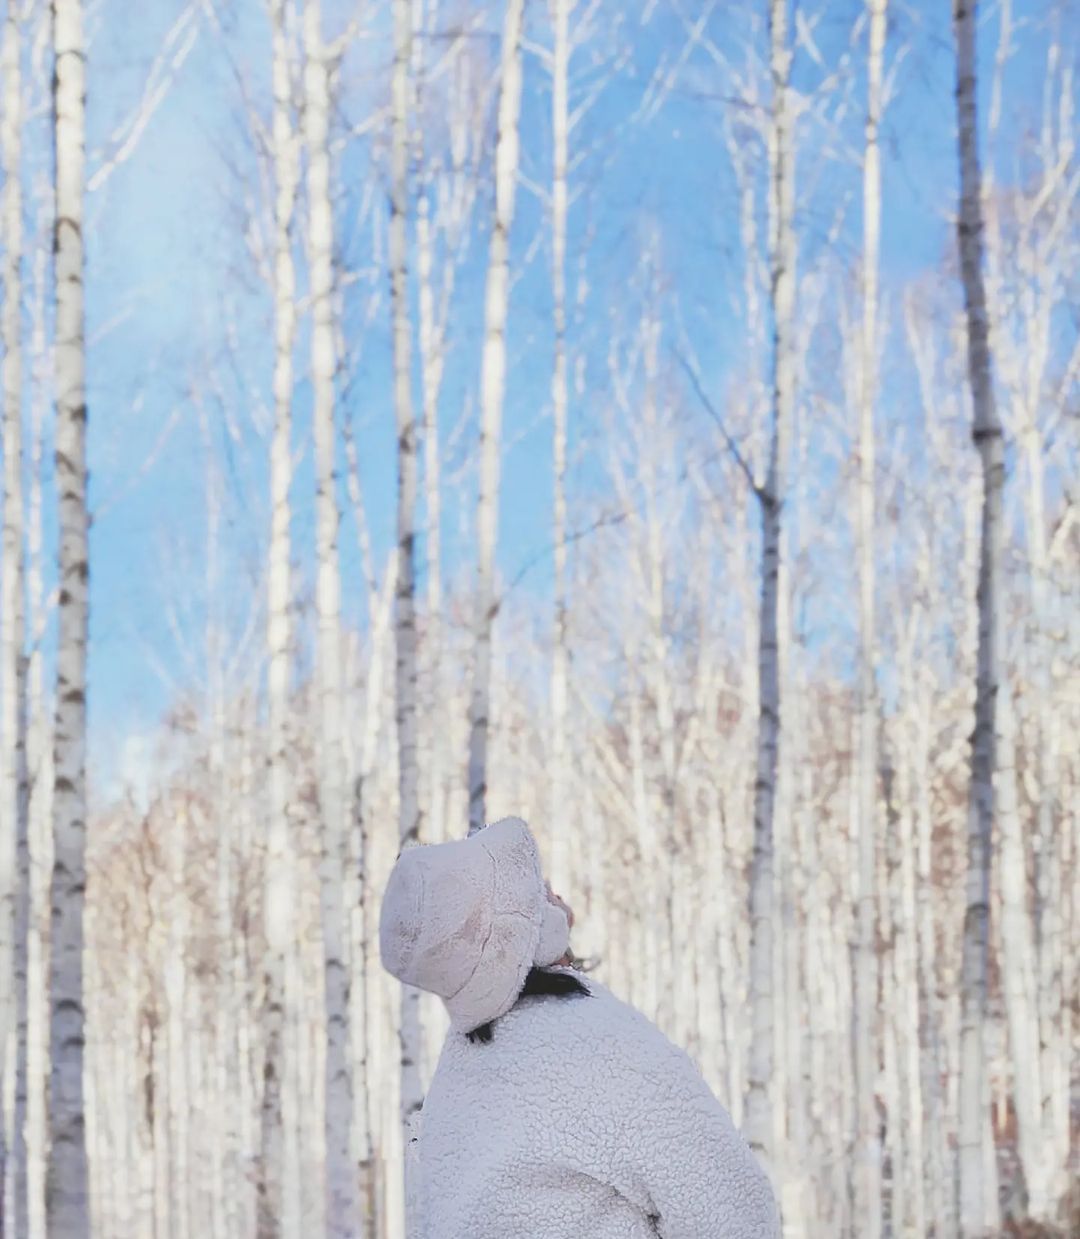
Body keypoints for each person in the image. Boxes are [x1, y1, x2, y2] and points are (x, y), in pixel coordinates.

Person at [379, 816, 779, 1239]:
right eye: (537, 892)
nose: (557, 896)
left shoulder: (462, 1067)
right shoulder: (602, 1048)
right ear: (514, 932)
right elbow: (734, 1213)